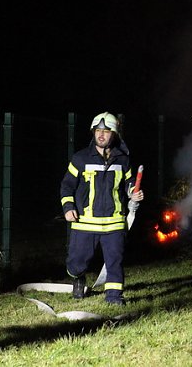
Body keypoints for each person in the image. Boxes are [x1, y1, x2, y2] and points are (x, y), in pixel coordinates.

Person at [60, 112, 144, 305]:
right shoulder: (80, 158)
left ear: (114, 134)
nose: (101, 135)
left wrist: (133, 192)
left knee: (115, 261)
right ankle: (78, 277)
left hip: (114, 222)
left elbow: (129, 182)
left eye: (106, 131)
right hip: (84, 223)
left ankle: (114, 297)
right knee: (76, 262)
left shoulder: (123, 159)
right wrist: (68, 207)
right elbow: (67, 186)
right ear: (93, 132)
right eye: (98, 131)